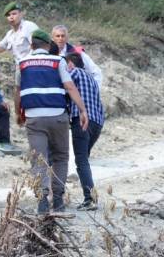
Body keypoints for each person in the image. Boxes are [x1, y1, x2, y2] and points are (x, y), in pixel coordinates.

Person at [14, 29, 89, 214]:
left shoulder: (21, 63)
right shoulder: (58, 61)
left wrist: (18, 113)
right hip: (57, 116)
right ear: (48, 45)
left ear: (32, 46)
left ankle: (42, 201)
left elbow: (17, 91)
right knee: (61, 157)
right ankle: (58, 199)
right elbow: (69, 86)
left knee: (39, 159)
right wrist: (82, 109)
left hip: (34, 117)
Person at [65, 52, 105, 211]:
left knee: (81, 160)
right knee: (84, 159)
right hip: (97, 123)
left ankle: (90, 198)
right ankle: (89, 194)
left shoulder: (73, 73)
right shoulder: (92, 79)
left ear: (70, 64)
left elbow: (66, 89)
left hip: (81, 119)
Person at [0, 2, 39, 66]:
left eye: (14, 14)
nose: (11, 17)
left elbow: (39, 48)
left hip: (33, 66)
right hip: (20, 67)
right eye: (8, 15)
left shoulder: (29, 26)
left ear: (21, 14)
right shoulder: (10, 35)